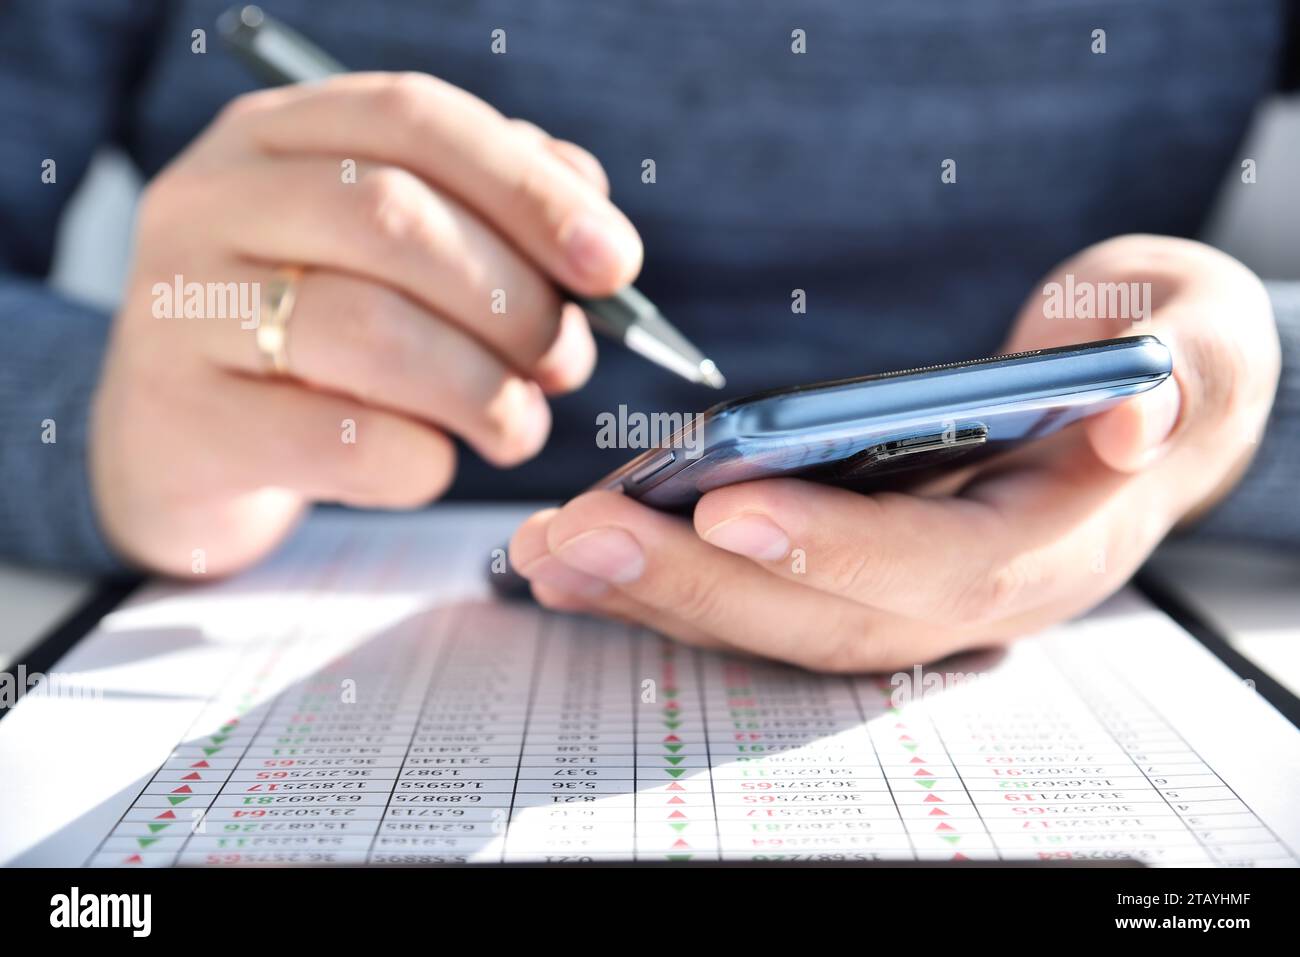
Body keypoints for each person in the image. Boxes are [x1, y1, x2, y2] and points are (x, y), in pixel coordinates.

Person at [1, 1, 1296, 671]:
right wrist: (100, 422)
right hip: (279, 602)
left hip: (1152, 627)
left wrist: (1240, 400)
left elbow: (1233, 370)